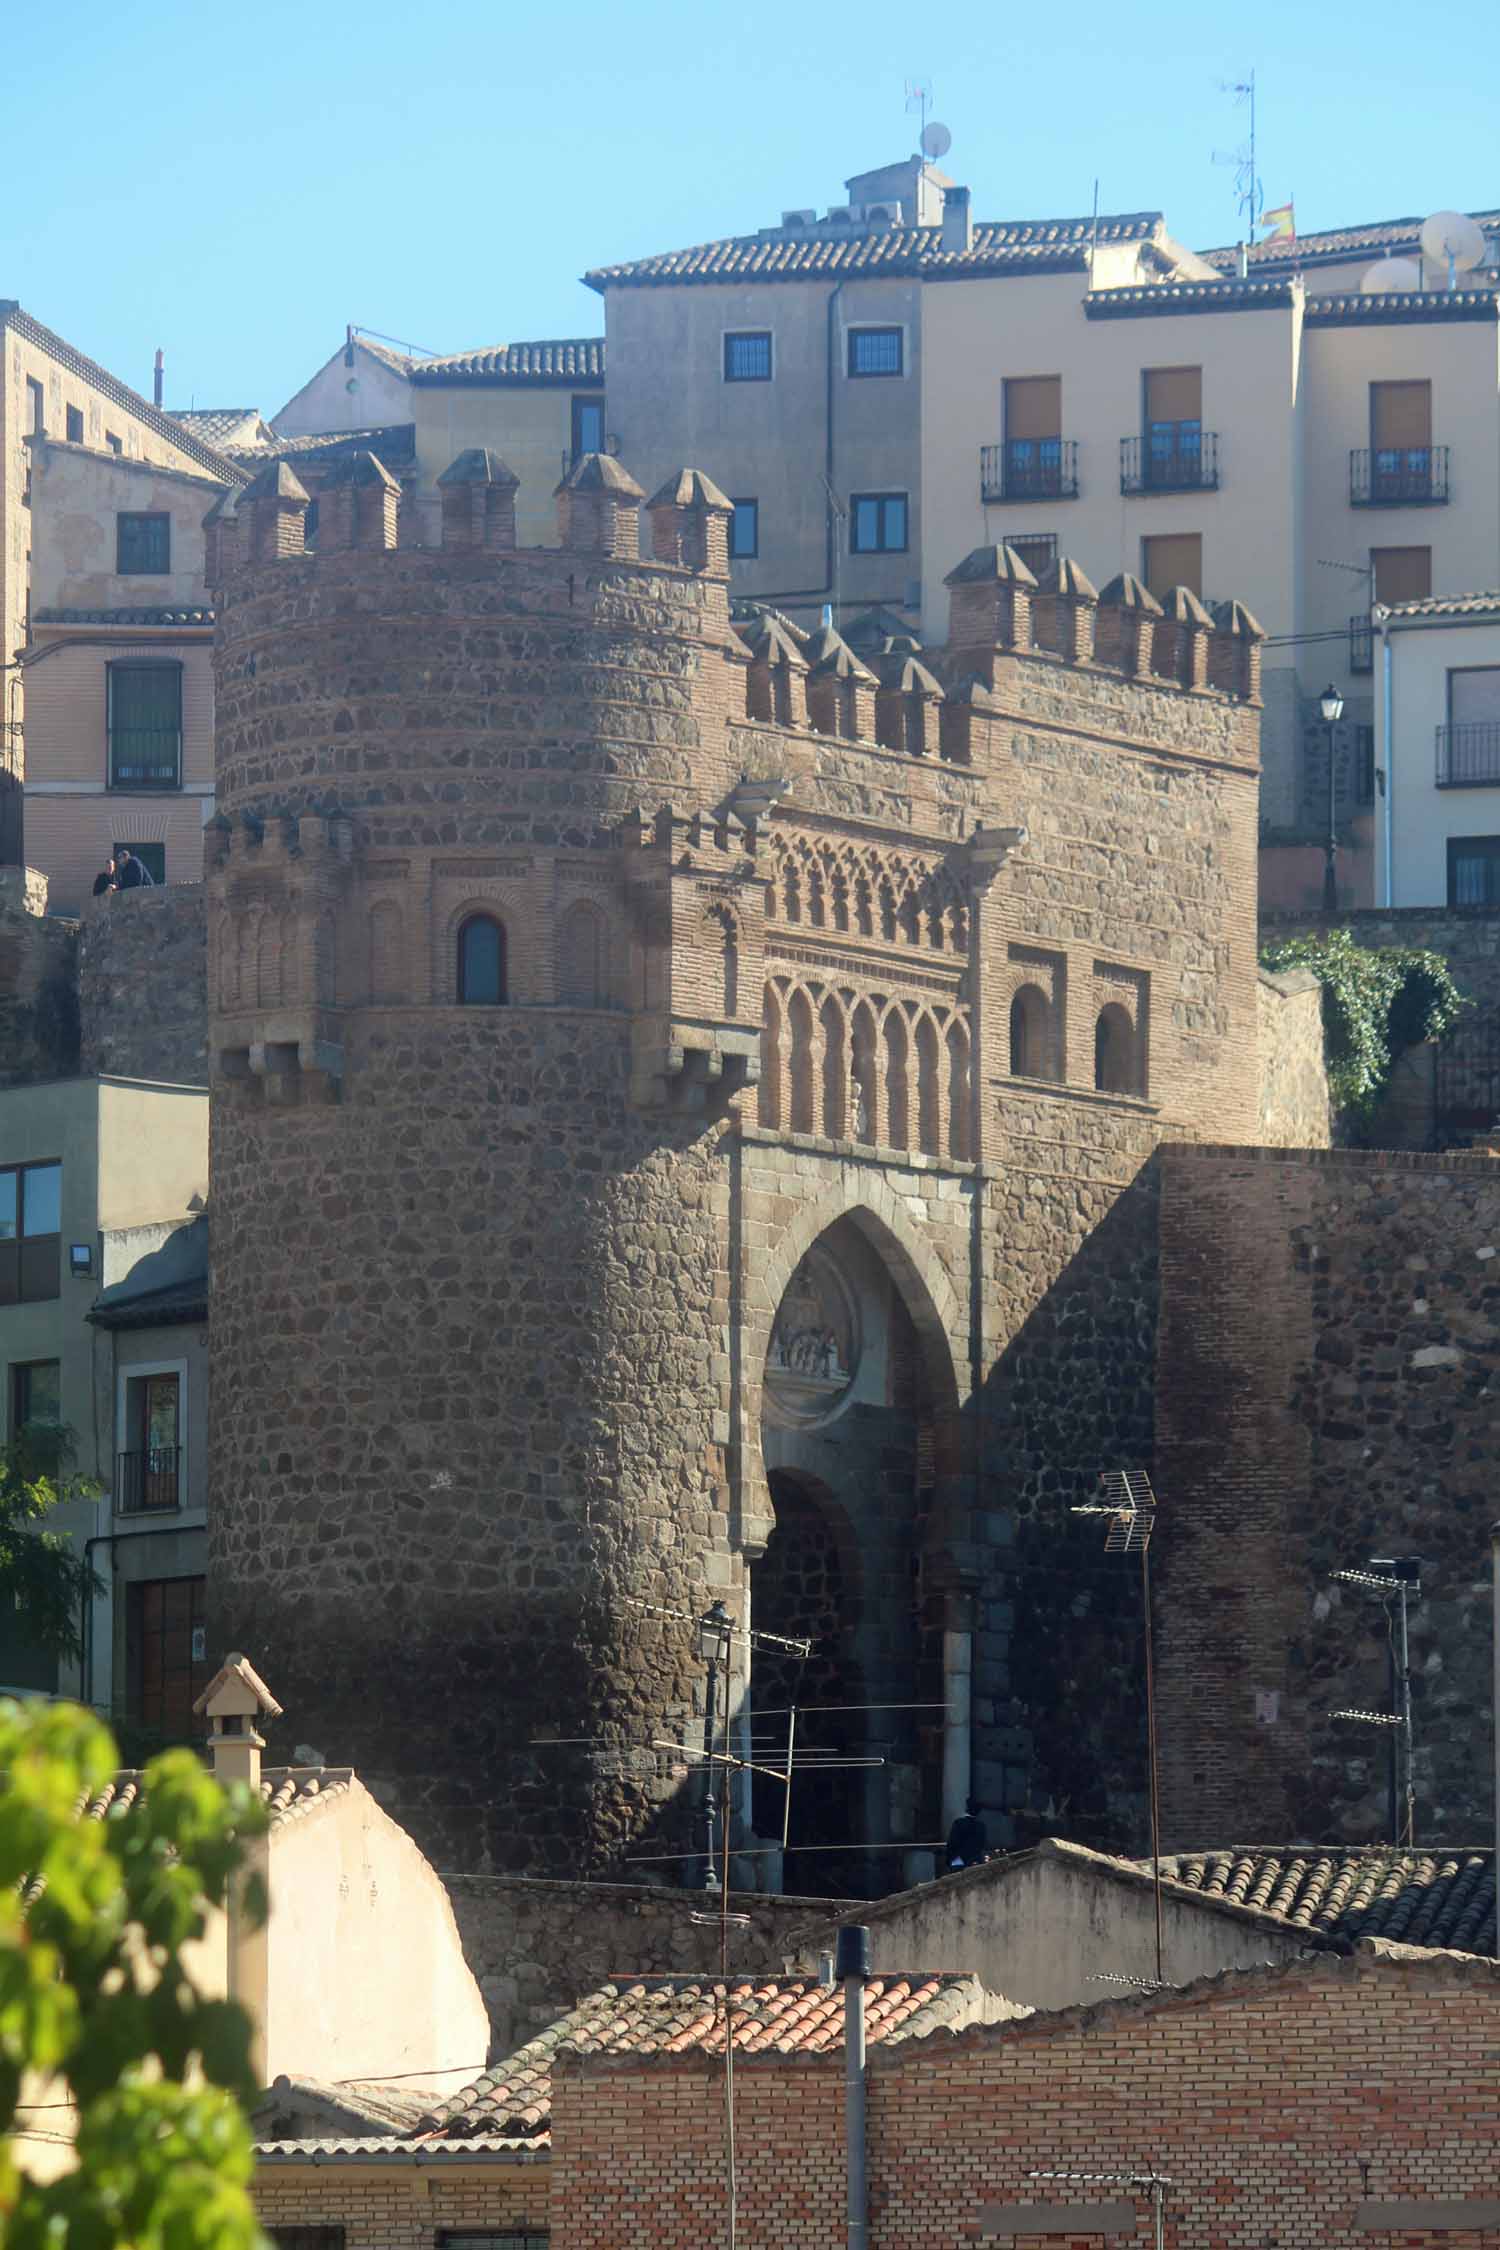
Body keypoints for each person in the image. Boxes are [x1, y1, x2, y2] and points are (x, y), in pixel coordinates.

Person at [945, 1796, 989, 1873]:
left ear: (967, 1809)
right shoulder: (981, 1826)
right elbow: (982, 1845)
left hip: (959, 1860)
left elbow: (952, 1843)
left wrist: (949, 1860)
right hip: (975, 1861)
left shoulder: (958, 1823)